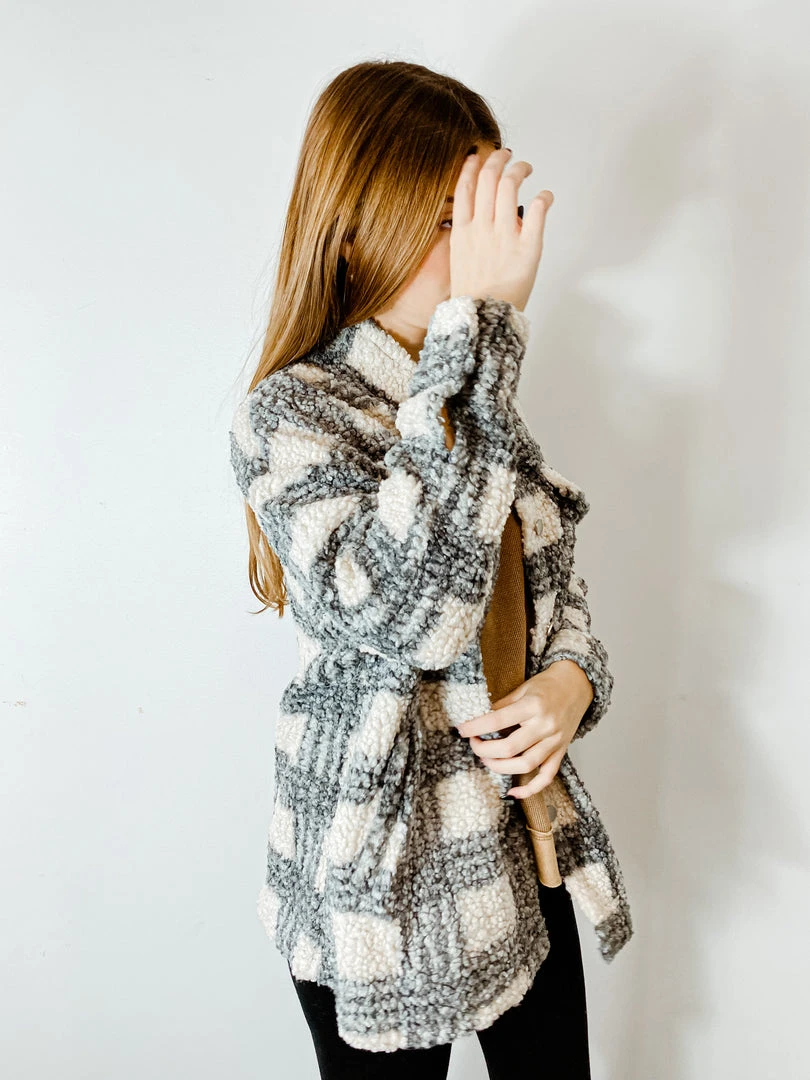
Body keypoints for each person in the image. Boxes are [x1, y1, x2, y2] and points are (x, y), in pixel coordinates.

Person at [229, 58, 632, 1079]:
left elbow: (553, 589)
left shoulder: (478, 401)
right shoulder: (292, 414)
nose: (484, 247)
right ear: (353, 229)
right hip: (375, 866)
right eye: (452, 218)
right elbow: (413, 614)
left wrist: (570, 683)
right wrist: (482, 334)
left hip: (513, 835)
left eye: (487, 214)